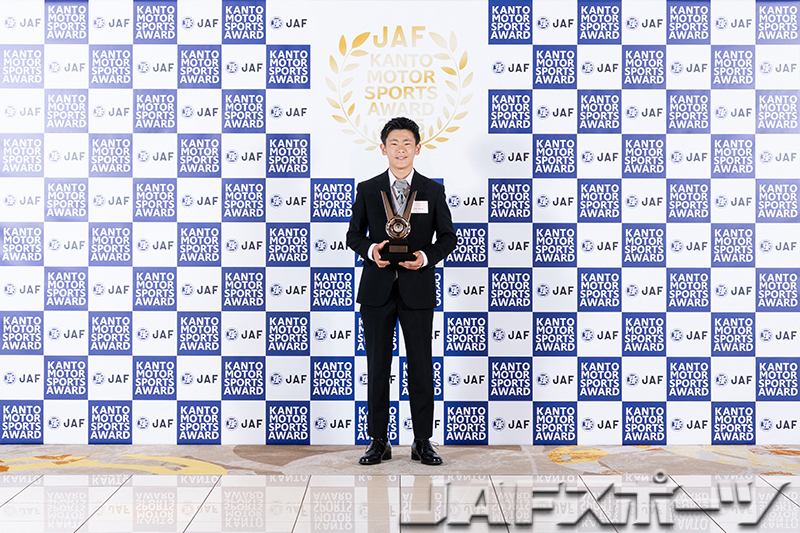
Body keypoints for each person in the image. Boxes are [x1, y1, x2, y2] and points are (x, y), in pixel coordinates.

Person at [346, 117, 458, 465]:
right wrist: (371, 250)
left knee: (421, 366)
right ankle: (378, 441)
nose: (400, 149)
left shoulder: (432, 191)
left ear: (417, 148)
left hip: (417, 288)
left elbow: (448, 238)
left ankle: (422, 441)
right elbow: (353, 235)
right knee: (377, 366)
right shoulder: (368, 189)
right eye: (393, 143)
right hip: (376, 291)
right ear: (383, 149)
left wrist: (425, 257)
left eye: (407, 143)